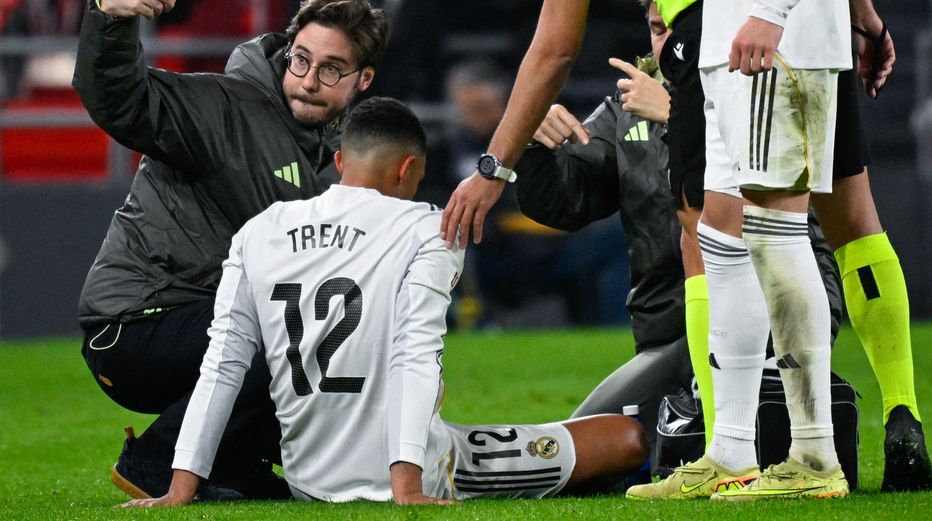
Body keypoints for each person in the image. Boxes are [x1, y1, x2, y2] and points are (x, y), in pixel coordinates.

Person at [120, 97, 650, 507]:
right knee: (626, 438)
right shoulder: (428, 227)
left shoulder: (261, 231)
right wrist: (407, 483)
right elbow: (413, 353)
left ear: (340, 160)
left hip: (308, 477)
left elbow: (222, 364)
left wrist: (180, 485)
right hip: (412, 469)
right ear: (408, 169)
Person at [72, 0, 388, 499]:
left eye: (331, 70)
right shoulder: (221, 106)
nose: (307, 80)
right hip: (137, 324)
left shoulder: (334, 151)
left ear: (363, 78)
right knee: (293, 335)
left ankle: (233, 466)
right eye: (301, 59)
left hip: (206, 324)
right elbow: (120, 98)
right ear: (286, 51)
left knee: (328, 335)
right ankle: (156, 462)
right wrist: (109, 19)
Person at [514, 0, 842, 472]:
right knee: (590, 448)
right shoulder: (625, 112)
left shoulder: (753, 90)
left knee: (721, 440)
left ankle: (764, 443)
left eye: (680, 29)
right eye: (655, 29)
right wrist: (533, 145)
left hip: (767, 334)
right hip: (668, 336)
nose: (668, 42)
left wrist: (679, 115)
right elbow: (565, 202)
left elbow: (794, 237)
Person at [631, 0, 854, 500]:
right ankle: (731, 452)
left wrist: (772, 10)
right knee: (721, 232)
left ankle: (815, 456)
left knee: (776, 226)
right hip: (727, 40)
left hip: (778, 36)